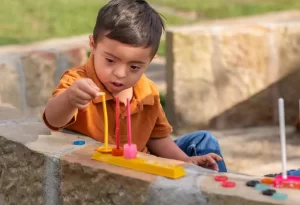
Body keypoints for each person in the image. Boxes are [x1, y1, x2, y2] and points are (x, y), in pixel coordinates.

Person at [43, 0, 227, 172]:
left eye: (134, 67)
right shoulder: (79, 81)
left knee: (204, 141)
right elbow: (52, 120)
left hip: (143, 162)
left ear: (150, 61)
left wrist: (185, 161)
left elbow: (157, 138)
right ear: (93, 45)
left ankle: (220, 191)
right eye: (110, 60)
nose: (120, 73)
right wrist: (70, 99)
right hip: (105, 168)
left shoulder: (147, 92)